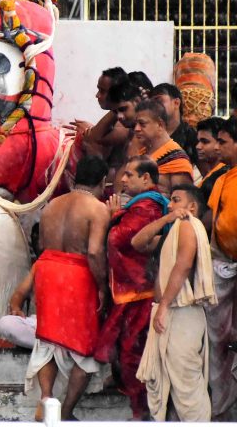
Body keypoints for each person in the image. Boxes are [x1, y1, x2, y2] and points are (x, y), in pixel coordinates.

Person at [25, 155, 110, 420]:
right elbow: (95, 252)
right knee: (85, 349)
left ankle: (47, 399)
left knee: (48, 340)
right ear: (104, 181)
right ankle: (66, 412)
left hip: (48, 269)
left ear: (74, 177)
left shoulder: (52, 205)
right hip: (78, 274)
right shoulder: (97, 208)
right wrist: (102, 286)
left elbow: (41, 247)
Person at [95, 156, 168, 421]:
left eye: (129, 175)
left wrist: (111, 217)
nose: (123, 180)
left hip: (140, 293)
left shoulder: (147, 206)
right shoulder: (140, 205)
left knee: (132, 353)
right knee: (127, 350)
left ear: (146, 179)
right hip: (132, 291)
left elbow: (121, 238)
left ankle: (142, 412)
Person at [133, 184, 215, 421]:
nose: (170, 204)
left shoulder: (189, 225)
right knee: (168, 383)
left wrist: (165, 306)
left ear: (192, 207)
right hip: (170, 313)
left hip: (181, 313)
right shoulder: (173, 231)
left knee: (186, 384)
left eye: (176, 200)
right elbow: (137, 242)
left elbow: (183, 265)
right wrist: (168, 217)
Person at [206, 117, 237, 420]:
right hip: (223, 266)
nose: (217, 148)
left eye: (223, 142)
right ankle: (223, 409)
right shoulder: (222, 178)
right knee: (219, 341)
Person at [132, 100, 193, 190]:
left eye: (142, 124)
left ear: (160, 125)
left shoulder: (177, 161)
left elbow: (182, 200)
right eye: (135, 124)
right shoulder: (142, 153)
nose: (136, 129)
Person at [150, 83, 198, 167]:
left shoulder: (191, 136)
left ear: (176, 103)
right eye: (152, 103)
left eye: (159, 101)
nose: (155, 106)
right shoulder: (150, 135)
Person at [0, 265, 37, 349]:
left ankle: (53, 347)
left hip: (68, 331)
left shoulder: (72, 264)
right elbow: (20, 292)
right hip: (41, 326)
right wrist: (16, 308)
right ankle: (51, 346)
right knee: (6, 323)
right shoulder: (41, 264)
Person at [196, 117, 229, 205]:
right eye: (198, 141)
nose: (198, 146)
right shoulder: (211, 173)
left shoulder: (224, 175)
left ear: (220, 142)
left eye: (205, 142)